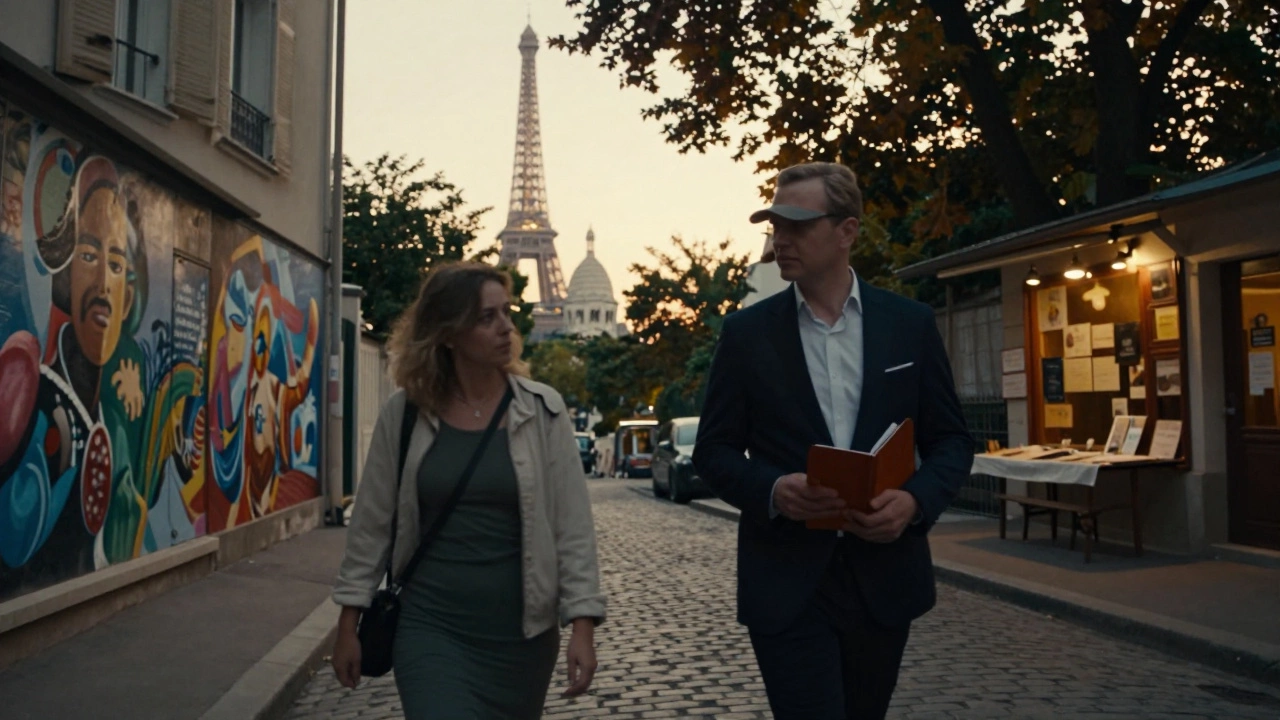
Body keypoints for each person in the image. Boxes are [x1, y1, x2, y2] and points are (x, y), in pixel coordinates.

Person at [693, 162, 973, 720]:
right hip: (787, 582)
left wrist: (914, 503)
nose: (780, 239)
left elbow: (951, 441)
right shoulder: (746, 334)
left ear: (847, 231)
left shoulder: (909, 324)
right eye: (775, 225)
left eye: (797, 225)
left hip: (884, 576)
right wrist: (775, 490)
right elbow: (713, 452)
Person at [330, 261, 605, 719]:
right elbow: (371, 525)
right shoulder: (405, 415)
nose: (506, 327)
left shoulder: (543, 411)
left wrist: (583, 626)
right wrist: (347, 623)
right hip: (430, 628)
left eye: (507, 312)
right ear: (448, 334)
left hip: (522, 638)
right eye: (486, 317)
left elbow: (572, 529)